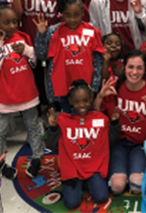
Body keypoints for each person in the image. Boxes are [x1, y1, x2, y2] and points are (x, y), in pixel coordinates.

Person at [0, 2, 44, 179]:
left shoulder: (22, 37)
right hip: (4, 98)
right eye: (6, 22)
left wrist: (27, 50)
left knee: (33, 126)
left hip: (27, 94)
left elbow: (33, 63)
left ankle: (37, 157)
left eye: (14, 22)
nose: (11, 26)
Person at [94, 50, 146, 195]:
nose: (134, 72)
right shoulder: (113, 87)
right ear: (124, 68)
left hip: (140, 144)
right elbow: (94, 118)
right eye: (130, 67)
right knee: (117, 186)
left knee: (137, 186)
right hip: (118, 143)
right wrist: (100, 96)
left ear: (145, 69)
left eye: (139, 68)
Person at [46, 79, 121, 209]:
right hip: (72, 168)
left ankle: (88, 181)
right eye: (77, 101)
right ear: (70, 102)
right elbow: (52, 146)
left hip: (94, 166)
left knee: (101, 197)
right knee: (71, 203)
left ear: (91, 98)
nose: (82, 105)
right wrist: (53, 129)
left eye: (85, 100)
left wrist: (114, 124)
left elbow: (109, 142)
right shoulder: (63, 120)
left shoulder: (100, 118)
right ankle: (80, 182)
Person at [35, 0, 104, 112]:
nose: (72, 19)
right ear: (62, 14)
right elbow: (42, 55)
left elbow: (98, 60)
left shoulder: (92, 29)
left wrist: (94, 86)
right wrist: (42, 35)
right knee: (67, 117)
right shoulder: (54, 31)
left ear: (83, 13)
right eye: (68, 15)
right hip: (63, 84)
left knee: (85, 117)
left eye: (76, 15)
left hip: (86, 84)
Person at [13, 0, 60, 108]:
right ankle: (37, 109)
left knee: (51, 78)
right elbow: (17, 15)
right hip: (29, 42)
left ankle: (51, 107)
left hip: (50, 43)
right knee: (33, 79)